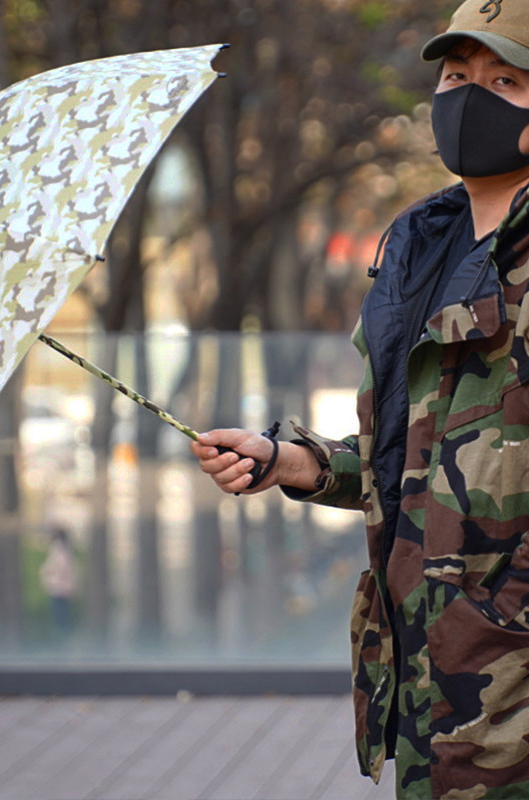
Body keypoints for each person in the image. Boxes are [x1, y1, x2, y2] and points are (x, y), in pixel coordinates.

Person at [191, 2, 529, 798]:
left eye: (505, 80)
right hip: (423, 682)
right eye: (455, 77)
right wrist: (293, 462)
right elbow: (408, 457)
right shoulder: (420, 249)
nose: (468, 97)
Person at [39, 526, 78, 633]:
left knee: (61, 615)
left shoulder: (60, 550)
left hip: (59, 587)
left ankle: (63, 635)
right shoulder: (62, 549)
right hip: (59, 586)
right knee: (61, 613)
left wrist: (47, 572)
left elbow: (59, 567)